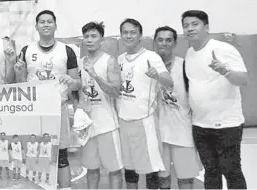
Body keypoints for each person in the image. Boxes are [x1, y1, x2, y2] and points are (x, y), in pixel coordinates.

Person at [13, 10, 81, 189]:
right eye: (42, 22)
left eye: (49, 21)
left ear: (55, 25)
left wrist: (71, 81)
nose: (45, 24)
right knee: (34, 154)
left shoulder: (67, 51)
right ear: (36, 27)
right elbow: (20, 85)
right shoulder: (26, 51)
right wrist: (19, 73)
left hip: (58, 110)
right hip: (34, 111)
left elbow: (77, 84)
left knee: (61, 155)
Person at [181, 10, 248, 189]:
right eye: (186, 25)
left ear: (207, 27)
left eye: (195, 24)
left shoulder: (223, 49)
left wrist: (224, 70)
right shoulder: (189, 53)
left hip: (226, 125)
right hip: (201, 125)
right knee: (211, 171)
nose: (189, 28)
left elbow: (243, 80)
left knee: (231, 170)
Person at [117, 18, 173, 189]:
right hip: (123, 120)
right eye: (125, 32)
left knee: (151, 168)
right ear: (121, 35)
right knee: (129, 168)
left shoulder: (151, 56)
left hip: (144, 120)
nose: (129, 36)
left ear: (140, 35)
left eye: (133, 32)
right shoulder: (119, 59)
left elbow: (169, 82)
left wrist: (157, 75)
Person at [153, 25, 202, 189]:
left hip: (183, 131)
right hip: (158, 132)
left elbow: (197, 98)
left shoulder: (185, 66)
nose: (164, 43)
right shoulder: (146, 66)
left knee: (186, 178)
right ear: (154, 42)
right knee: (162, 178)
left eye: (168, 40)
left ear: (174, 43)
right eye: (160, 39)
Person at [77, 22, 123, 189]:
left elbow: (116, 91)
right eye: (86, 36)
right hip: (87, 126)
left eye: (93, 36)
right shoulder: (80, 62)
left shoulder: (110, 61)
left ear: (101, 40)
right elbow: (79, 91)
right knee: (91, 168)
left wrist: (95, 75)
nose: (89, 40)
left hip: (107, 126)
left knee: (114, 170)